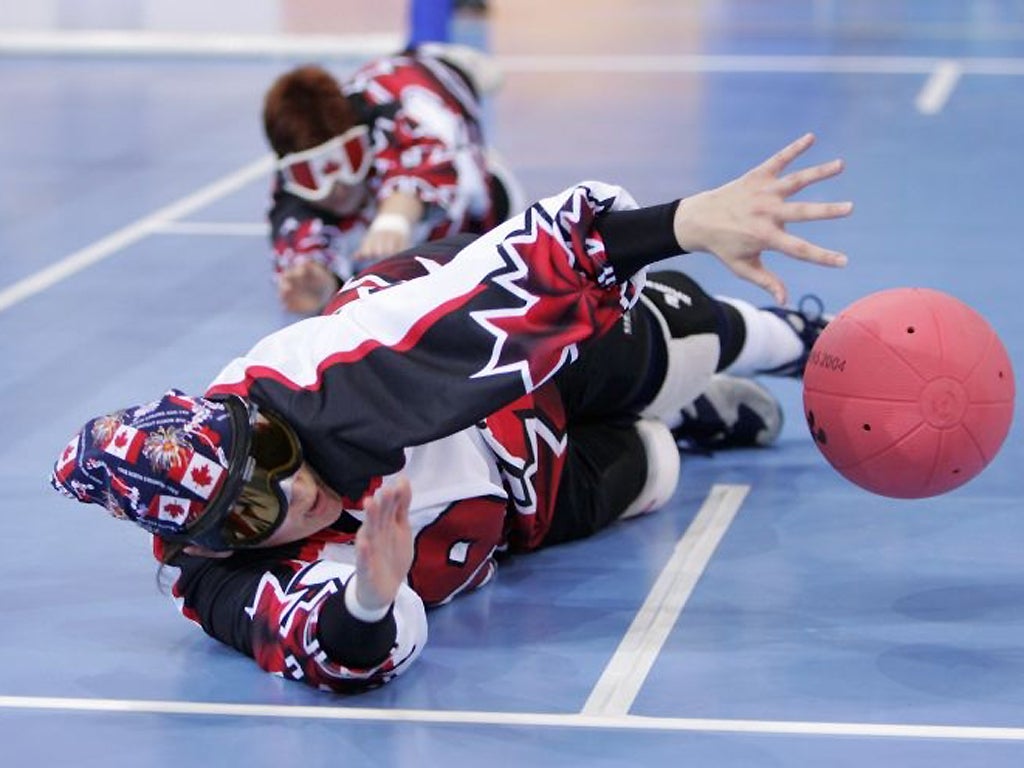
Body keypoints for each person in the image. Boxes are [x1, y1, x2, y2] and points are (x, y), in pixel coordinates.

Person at [50, 133, 852, 693]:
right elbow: (321, 649)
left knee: (679, 338)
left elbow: (510, 286)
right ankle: (685, 420)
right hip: (509, 514)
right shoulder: (215, 582)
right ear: (215, 544)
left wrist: (682, 224)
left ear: (248, 413)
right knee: (656, 468)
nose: (293, 489)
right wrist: (367, 596)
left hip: (501, 381)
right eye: (255, 509)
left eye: (268, 448)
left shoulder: (321, 383)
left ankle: (798, 343)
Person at [263, 43, 520, 315]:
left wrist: (394, 221)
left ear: (361, 141)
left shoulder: (398, 110)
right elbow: (301, 255)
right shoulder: (287, 199)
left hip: (424, 80)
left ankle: (451, 62)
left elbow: (425, 159)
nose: (336, 187)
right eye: (309, 176)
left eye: (347, 159)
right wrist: (325, 285)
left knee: (478, 197)